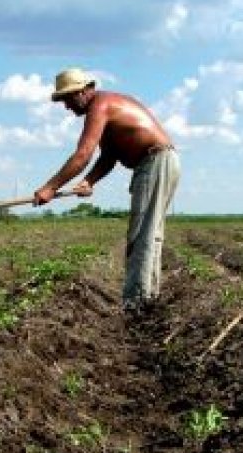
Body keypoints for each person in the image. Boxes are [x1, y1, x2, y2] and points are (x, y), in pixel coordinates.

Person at [34, 68, 180, 313]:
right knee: (149, 234)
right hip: (160, 161)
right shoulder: (108, 105)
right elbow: (109, 155)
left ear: (83, 91)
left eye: (68, 99)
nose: (67, 107)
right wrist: (90, 180)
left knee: (142, 235)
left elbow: (83, 154)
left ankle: (137, 304)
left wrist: (50, 187)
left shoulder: (99, 106)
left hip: (155, 161)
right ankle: (147, 299)